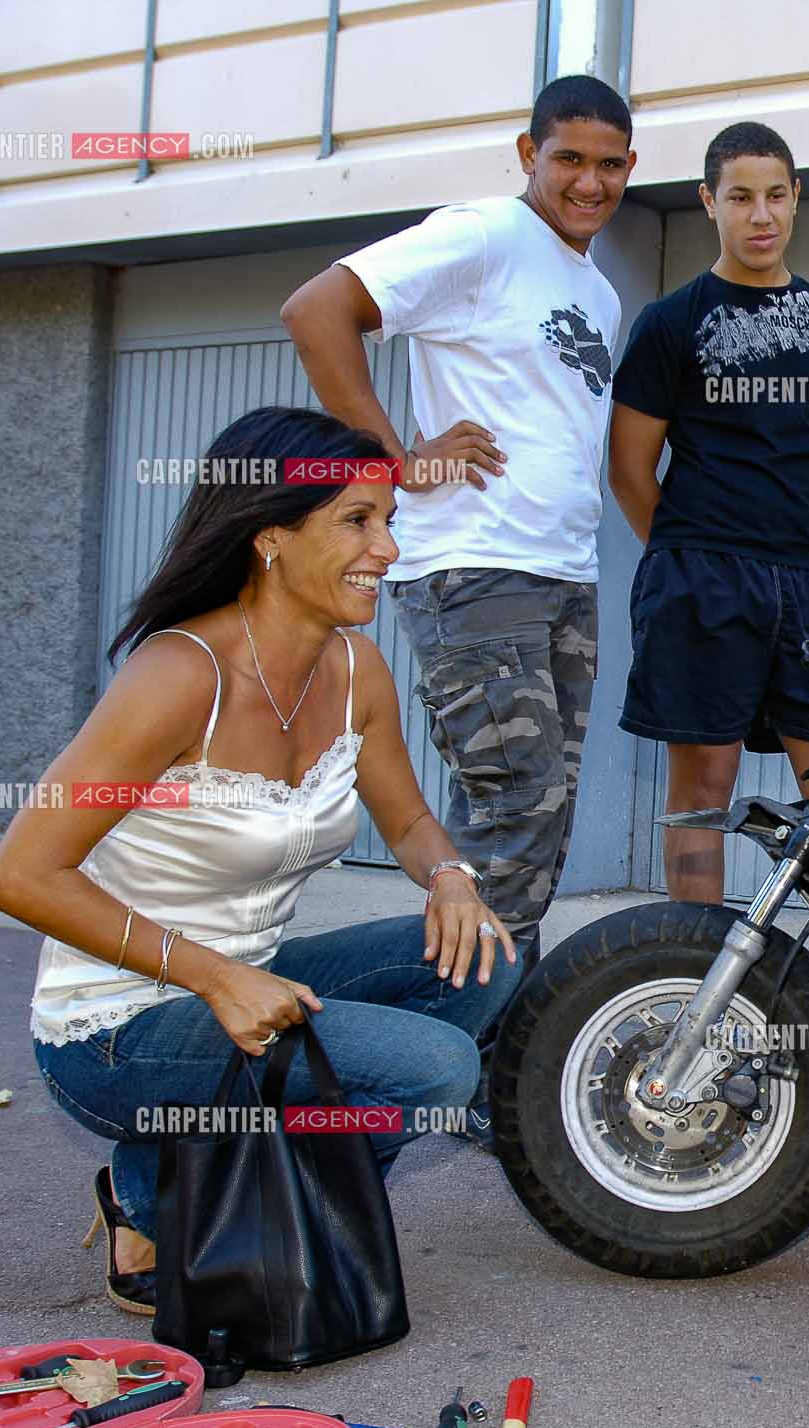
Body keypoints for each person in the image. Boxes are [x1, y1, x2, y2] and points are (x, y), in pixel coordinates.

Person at [0, 407, 524, 1315]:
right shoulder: (178, 677)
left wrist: (451, 878)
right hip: (117, 1023)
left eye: (389, 520)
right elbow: (21, 875)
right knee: (433, 1069)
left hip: (247, 979)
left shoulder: (356, 669)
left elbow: (410, 821)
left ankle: (257, 1196)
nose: (387, 551)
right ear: (271, 535)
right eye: (358, 522)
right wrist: (213, 977)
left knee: (482, 962)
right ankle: (172, 1201)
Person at [282, 75, 635, 966]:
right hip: (476, 571)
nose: (589, 183)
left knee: (539, 818)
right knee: (515, 806)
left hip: (563, 576)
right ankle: (460, 1036)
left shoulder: (597, 293)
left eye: (609, 165)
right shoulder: (483, 234)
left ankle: (491, 1025)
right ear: (529, 155)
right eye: (569, 161)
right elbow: (319, 308)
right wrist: (389, 462)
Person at [608, 120, 809, 903]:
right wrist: (692, 548)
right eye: (741, 197)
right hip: (698, 578)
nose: (760, 215)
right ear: (709, 202)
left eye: (776, 196)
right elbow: (629, 468)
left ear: (796, 201)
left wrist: (780, 533)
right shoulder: (669, 322)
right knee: (703, 784)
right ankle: (696, 973)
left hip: (808, 581)